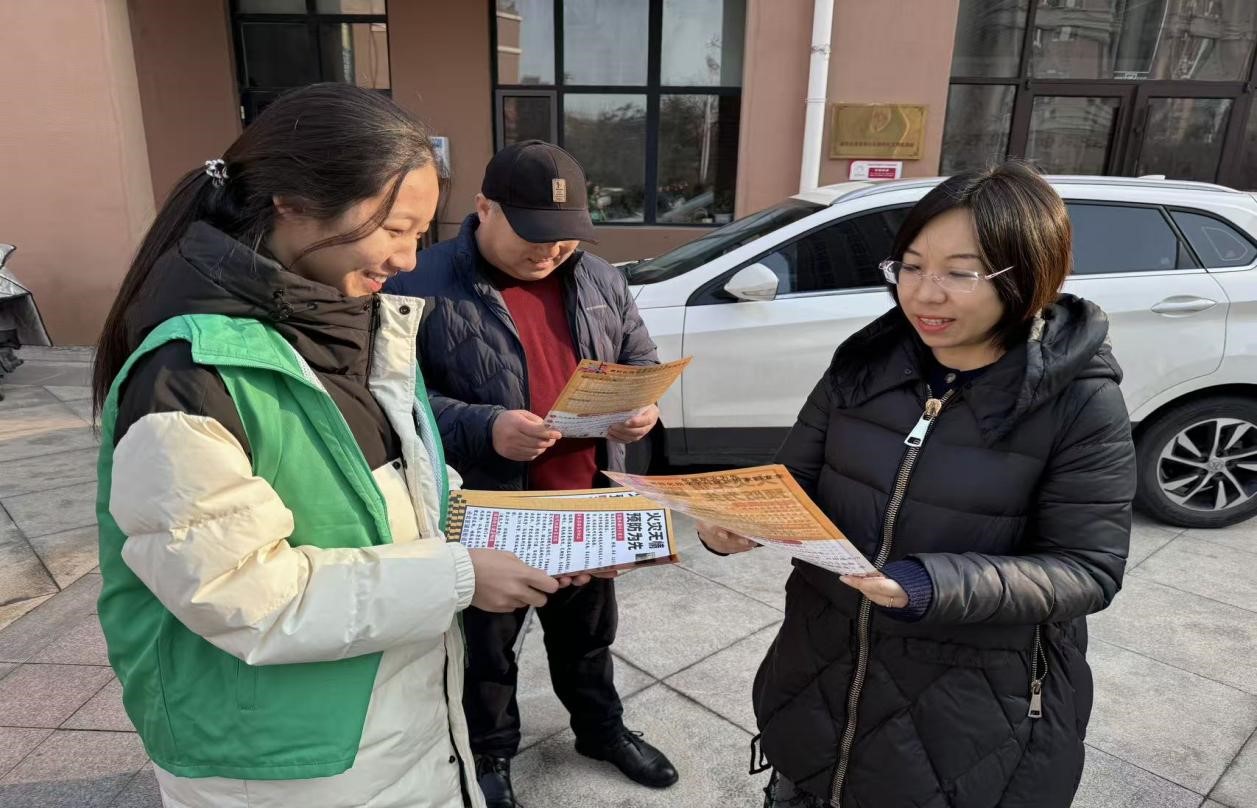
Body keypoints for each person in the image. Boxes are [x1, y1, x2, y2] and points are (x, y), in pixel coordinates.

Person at [91, 84, 572, 808]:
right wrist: (459, 576)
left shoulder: (356, 330)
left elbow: (397, 496)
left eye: (421, 232)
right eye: (395, 229)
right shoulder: (190, 375)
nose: (408, 258)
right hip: (279, 765)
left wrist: (532, 533)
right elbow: (241, 594)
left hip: (389, 727)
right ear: (292, 203)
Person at [700, 162, 1136, 808]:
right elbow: (793, 482)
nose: (924, 294)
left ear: (1027, 274)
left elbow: (1086, 568)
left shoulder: (1079, 402)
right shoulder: (864, 365)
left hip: (971, 710)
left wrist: (931, 584)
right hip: (818, 675)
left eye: (960, 273)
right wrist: (734, 521)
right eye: (909, 266)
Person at [386, 140, 678, 808]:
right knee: (487, 652)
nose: (549, 252)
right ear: (484, 208)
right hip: (490, 511)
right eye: (533, 235)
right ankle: (490, 753)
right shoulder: (416, 282)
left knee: (588, 640)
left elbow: (638, 359)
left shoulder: (599, 279)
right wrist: (483, 425)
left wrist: (643, 407)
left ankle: (600, 730)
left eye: (564, 237)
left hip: (586, 502)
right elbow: (394, 401)